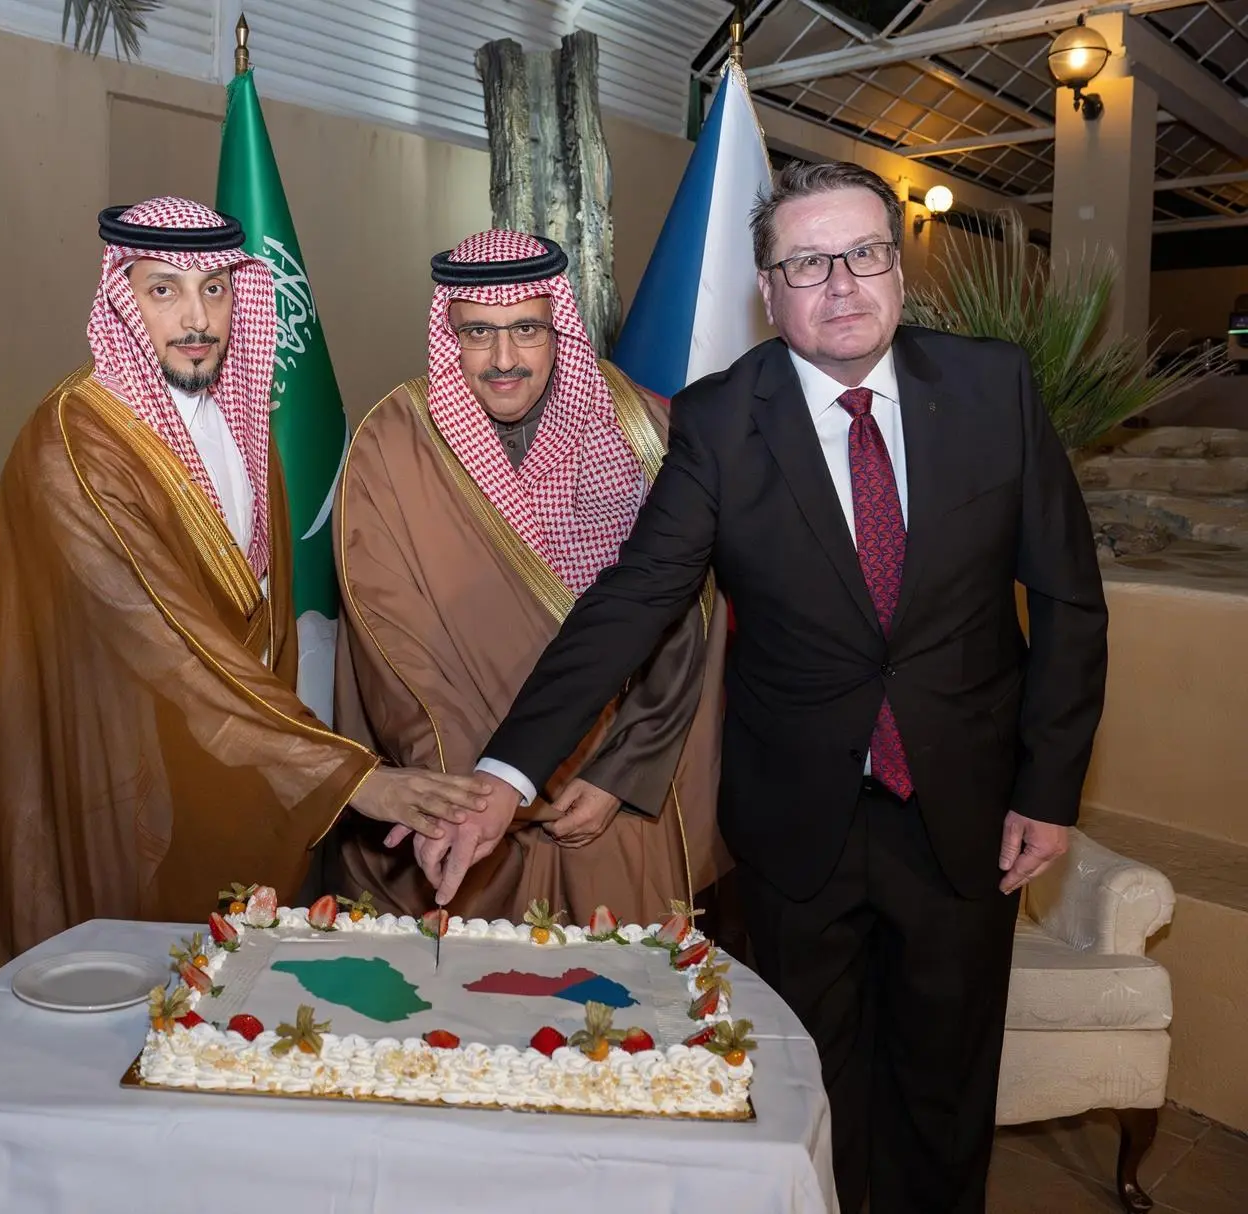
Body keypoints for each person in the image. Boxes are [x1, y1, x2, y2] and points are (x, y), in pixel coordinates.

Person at [441, 163, 1109, 1213]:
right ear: (768, 288)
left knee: (943, 1092)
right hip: (800, 825)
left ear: (896, 266)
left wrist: (1050, 786)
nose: (839, 282)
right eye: (806, 262)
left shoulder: (994, 386)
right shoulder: (718, 419)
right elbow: (631, 600)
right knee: (803, 1089)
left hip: (970, 811)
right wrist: (504, 770)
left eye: (861, 254)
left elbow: (1067, 597)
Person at [0, 198, 490, 1042]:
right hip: (110, 778)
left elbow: (260, 633)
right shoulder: (72, 446)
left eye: (217, 289)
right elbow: (168, 641)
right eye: (163, 291)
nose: (197, 318)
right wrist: (349, 778)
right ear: (121, 299)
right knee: (109, 1038)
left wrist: (296, 769)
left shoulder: (241, 423)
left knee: (224, 1028)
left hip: (224, 762)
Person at [324, 230, 728, 925]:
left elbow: (684, 618)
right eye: (479, 332)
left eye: (526, 330)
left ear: (558, 329)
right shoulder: (392, 441)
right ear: (449, 333)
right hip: (458, 783)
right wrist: (470, 791)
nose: (504, 359)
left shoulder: (639, 425)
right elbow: (391, 641)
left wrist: (619, 774)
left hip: (607, 797)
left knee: (617, 1013)